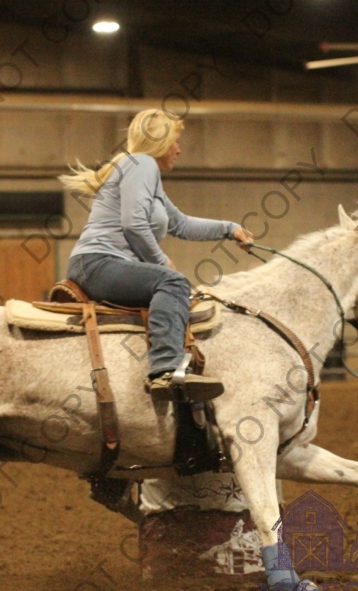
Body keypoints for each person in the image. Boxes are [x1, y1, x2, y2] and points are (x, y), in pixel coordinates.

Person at [59, 109, 254, 401]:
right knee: (173, 282)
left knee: (170, 281)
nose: (179, 149)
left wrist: (229, 229)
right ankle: (166, 370)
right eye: (175, 141)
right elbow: (134, 224)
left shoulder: (145, 175)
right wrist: (162, 262)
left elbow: (181, 224)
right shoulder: (142, 164)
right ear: (160, 143)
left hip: (98, 263)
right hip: (99, 263)